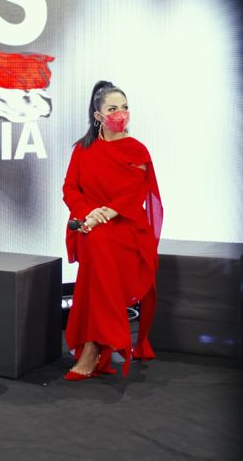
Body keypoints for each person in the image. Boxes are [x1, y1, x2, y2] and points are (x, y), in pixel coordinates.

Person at [61, 80, 163, 380]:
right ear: (98, 115)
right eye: (113, 108)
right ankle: (96, 343)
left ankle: (93, 346)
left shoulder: (137, 150)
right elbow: (70, 188)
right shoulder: (83, 149)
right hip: (88, 224)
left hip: (127, 226)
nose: (121, 113)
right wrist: (88, 214)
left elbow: (133, 194)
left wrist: (102, 215)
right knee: (96, 243)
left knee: (100, 245)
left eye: (125, 107)